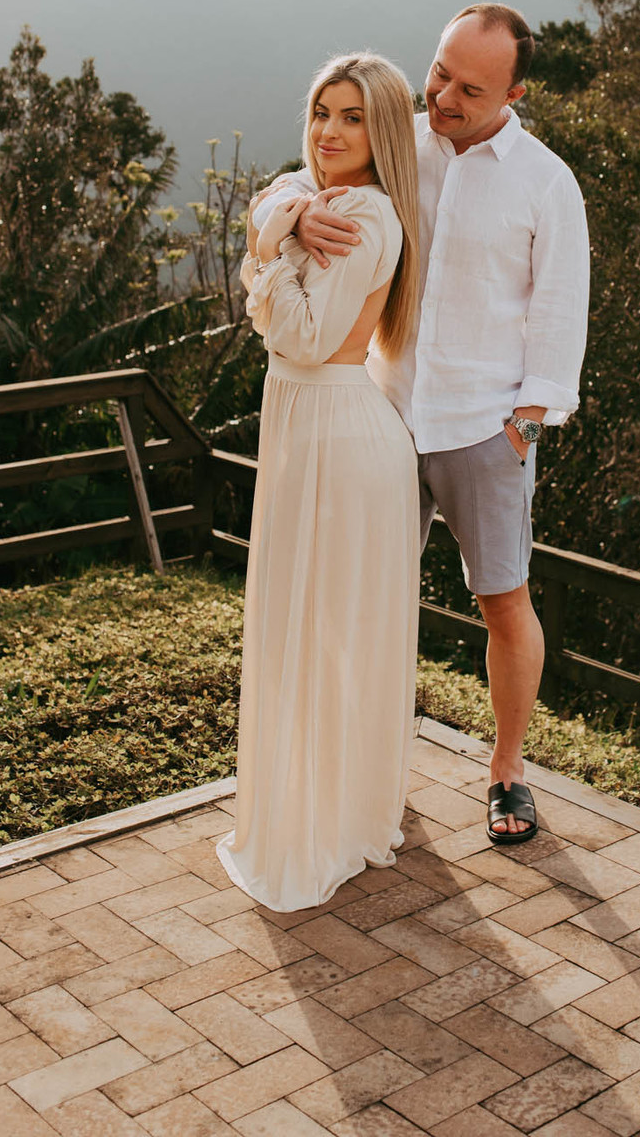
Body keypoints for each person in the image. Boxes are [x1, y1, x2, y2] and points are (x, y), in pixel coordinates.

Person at [267, 5, 590, 844]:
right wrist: (296, 212)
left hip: (485, 429)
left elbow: (560, 317)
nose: (442, 96)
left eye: (469, 89)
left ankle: (508, 772)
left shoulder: (546, 182)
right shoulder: (398, 140)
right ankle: (366, 766)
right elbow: (303, 170)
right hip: (382, 412)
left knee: (503, 601)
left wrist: (524, 428)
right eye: (440, 72)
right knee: (362, 593)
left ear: (514, 94)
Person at [216, 53, 421, 911]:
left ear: (384, 131)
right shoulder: (313, 194)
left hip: (340, 436)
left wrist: (268, 247)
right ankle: (324, 808)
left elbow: (300, 338)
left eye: (353, 117)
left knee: (324, 635)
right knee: (310, 633)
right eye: (321, 112)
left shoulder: (363, 214)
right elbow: (273, 200)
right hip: (310, 431)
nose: (330, 132)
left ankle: (327, 825)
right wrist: (280, 217)